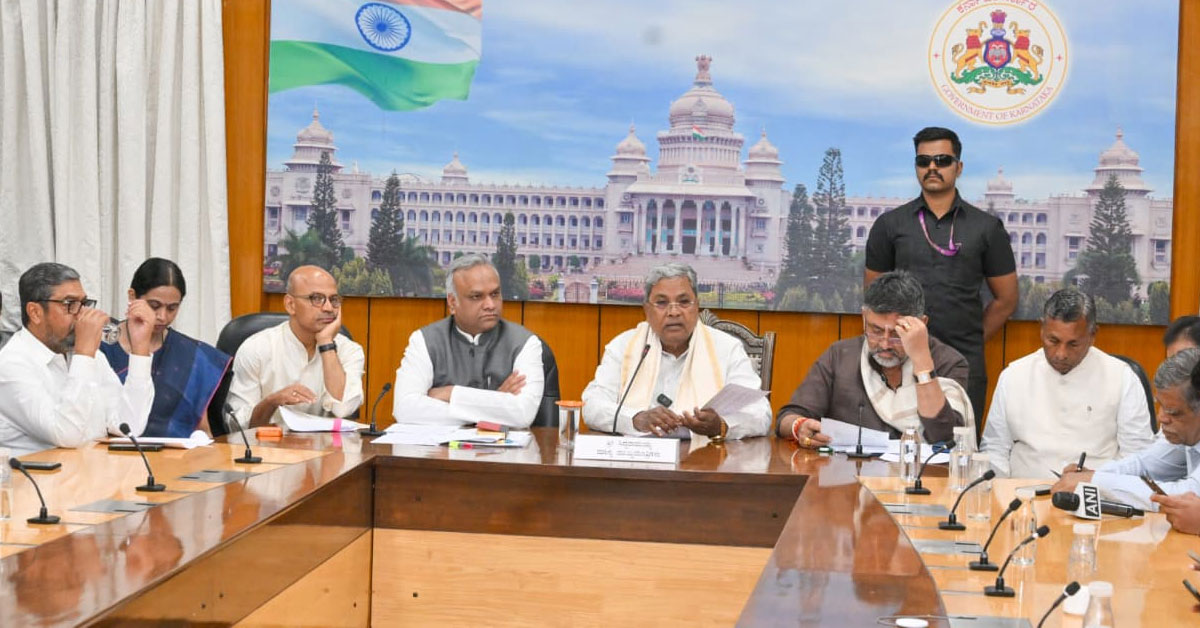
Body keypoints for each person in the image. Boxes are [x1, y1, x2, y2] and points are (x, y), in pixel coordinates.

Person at [864, 126, 1018, 419]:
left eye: (942, 160)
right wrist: (901, 341)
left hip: (963, 361)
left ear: (959, 167)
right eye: (923, 161)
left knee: (959, 441)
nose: (932, 167)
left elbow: (1006, 300)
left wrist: (969, 338)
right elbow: (875, 297)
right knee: (898, 442)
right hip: (899, 361)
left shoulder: (986, 228)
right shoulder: (890, 225)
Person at [778, 270, 972, 448]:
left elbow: (945, 438)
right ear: (864, 317)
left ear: (922, 324)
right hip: (850, 473)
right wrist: (799, 426)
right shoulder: (839, 356)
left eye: (897, 333)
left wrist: (922, 362)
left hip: (921, 473)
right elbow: (787, 418)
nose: (885, 344)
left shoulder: (949, 362)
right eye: (876, 330)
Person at [582, 263, 771, 440]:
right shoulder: (624, 346)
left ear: (697, 306)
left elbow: (760, 413)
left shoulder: (727, 348)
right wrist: (635, 419)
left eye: (684, 302)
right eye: (662, 303)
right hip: (639, 456)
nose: (674, 312)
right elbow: (591, 406)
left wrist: (720, 425)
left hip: (706, 458)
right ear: (646, 310)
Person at [982, 288, 1154, 477]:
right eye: (1053, 341)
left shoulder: (1122, 377)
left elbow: (1137, 456)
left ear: (1093, 335)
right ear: (1041, 329)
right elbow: (995, 450)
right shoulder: (1013, 376)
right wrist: (998, 491)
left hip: (1096, 491)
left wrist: (1099, 481)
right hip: (1022, 490)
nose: (1061, 354)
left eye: (1073, 344)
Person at [0, 262, 155, 454]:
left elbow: (128, 426)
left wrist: (140, 348)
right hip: (38, 473)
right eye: (70, 305)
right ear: (35, 312)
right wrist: (84, 354)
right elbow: (66, 435)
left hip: (91, 469)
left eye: (83, 304)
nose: (81, 314)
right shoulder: (11, 364)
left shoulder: (89, 356)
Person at [391, 254, 544, 427]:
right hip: (441, 445)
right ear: (452, 302)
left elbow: (522, 414)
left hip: (504, 445)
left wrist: (450, 393)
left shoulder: (526, 343)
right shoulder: (424, 341)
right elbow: (404, 408)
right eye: (476, 297)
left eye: (495, 294)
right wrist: (496, 401)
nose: (490, 305)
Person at [1052, 348, 1200, 511]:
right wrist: (1092, 476)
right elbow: (1145, 465)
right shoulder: (1183, 432)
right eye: (1161, 406)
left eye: (1173, 412)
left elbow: (1188, 498)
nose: (1161, 418)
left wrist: (1096, 481)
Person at [99, 258, 231, 437]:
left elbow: (203, 431)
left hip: (176, 454)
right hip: (106, 451)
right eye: (154, 306)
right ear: (132, 296)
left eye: (172, 308)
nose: (162, 316)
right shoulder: (100, 344)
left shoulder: (193, 357)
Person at [226, 265, 364, 428]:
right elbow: (237, 425)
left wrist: (326, 343)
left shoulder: (349, 350)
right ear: (290, 304)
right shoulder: (256, 348)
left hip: (325, 443)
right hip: (268, 442)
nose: (328, 308)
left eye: (333, 300)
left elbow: (343, 409)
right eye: (316, 298)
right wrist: (271, 402)